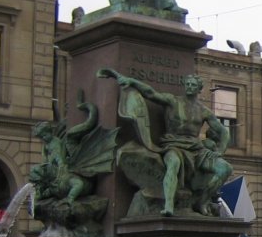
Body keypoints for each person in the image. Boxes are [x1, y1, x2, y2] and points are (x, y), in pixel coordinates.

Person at [99, 68, 231, 216]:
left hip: (196, 149)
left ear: (199, 89)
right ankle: (169, 205)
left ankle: (202, 201)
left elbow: (223, 131)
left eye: (193, 85)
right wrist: (131, 81)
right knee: (173, 163)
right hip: (173, 146)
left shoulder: (203, 111)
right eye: (187, 84)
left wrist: (219, 151)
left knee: (225, 169)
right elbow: (150, 93)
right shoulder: (173, 101)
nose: (189, 87)